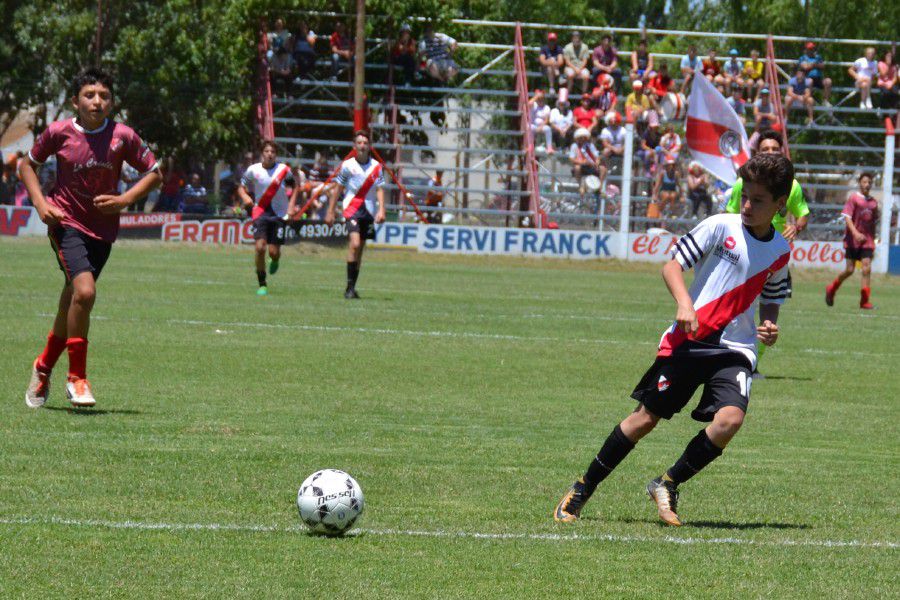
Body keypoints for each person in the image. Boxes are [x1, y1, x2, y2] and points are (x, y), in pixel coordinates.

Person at [554, 152, 794, 527]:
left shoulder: (780, 251)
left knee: (729, 421)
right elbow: (672, 266)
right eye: (745, 195)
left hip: (735, 349)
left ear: (780, 204)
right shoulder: (720, 226)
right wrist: (685, 303)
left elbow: (773, 296)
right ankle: (583, 487)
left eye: (758, 200)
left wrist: (770, 325)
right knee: (644, 421)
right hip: (690, 340)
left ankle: (667, 483)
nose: (747, 205)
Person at [21, 67, 161, 409]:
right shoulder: (58, 132)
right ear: (75, 102)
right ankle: (76, 379)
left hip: (103, 231)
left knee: (72, 301)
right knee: (85, 292)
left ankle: (42, 367)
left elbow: (155, 173)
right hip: (66, 224)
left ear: (111, 102)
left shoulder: (123, 136)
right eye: (89, 95)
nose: (97, 101)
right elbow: (27, 166)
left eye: (103, 96)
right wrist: (41, 204)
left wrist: (125, 200)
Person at [324, 130, 387, 299]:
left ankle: (351, 287)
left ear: (369, 146)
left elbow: (380, 189)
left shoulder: (376, 167)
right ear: (354, 146)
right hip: (351, 209)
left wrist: (382, 209)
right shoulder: (347, 166)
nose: (362, 146)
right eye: (359, 143)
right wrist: (330, 211)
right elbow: (338, 189)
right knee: (355, 243)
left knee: (360, 250)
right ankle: (349, 289)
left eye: (365, 143)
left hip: (368, 211)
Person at [238, 140, 301, 296]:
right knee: (260, 248)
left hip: (279, 215)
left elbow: (295, 186)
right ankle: (262, 284)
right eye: (267, 151)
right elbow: (241, 187)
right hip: (260, 213)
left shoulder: (283, 170)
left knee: (273, 252)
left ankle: (275, 259)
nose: (270, 154)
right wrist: (245, 197)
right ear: (262, 154)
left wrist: (292, 205)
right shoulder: (253, 170)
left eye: (272, 152)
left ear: (276, 155)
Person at [825, 173, 879, 310]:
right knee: (850, 270)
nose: (867, 184)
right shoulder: (854, 198)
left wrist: (873, 240)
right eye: (865, 181)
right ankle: (831, 289)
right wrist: (855, 233)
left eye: (869, 182)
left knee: (866, 268)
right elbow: (847, 218)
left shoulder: (873, 203)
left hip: (867, 241)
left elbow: (874, 221)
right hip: (852, 240)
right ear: (860, 183)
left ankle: (864, 301)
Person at [568, 127, 602, 198]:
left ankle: (599, 186)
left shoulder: (590, 145)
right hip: (581, 166)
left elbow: (596, 156)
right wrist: (582, 162)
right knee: (577, 167)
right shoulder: (574, 146)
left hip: (591, 165)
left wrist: (597, 162)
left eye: (584, 137)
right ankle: (580, 186)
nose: (583, 139)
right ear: (577, 138)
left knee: (602, 168)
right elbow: (571, 159)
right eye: (581, 138)